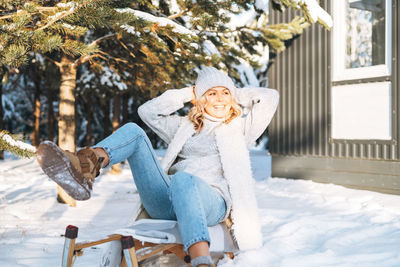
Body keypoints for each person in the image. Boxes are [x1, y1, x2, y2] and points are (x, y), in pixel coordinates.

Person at [37, 67, 279, 267]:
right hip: (167, 198)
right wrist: (188, 92)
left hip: (212, 201)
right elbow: (147, 112)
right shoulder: (185, 127)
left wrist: (235, 92)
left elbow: (270, 98)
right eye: (211, 93)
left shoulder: (239, 129)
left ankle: (201, 262)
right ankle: (86, 165)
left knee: (184, 180)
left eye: (224, 93)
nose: (219, 99)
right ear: (201, 98)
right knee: (134, 132)